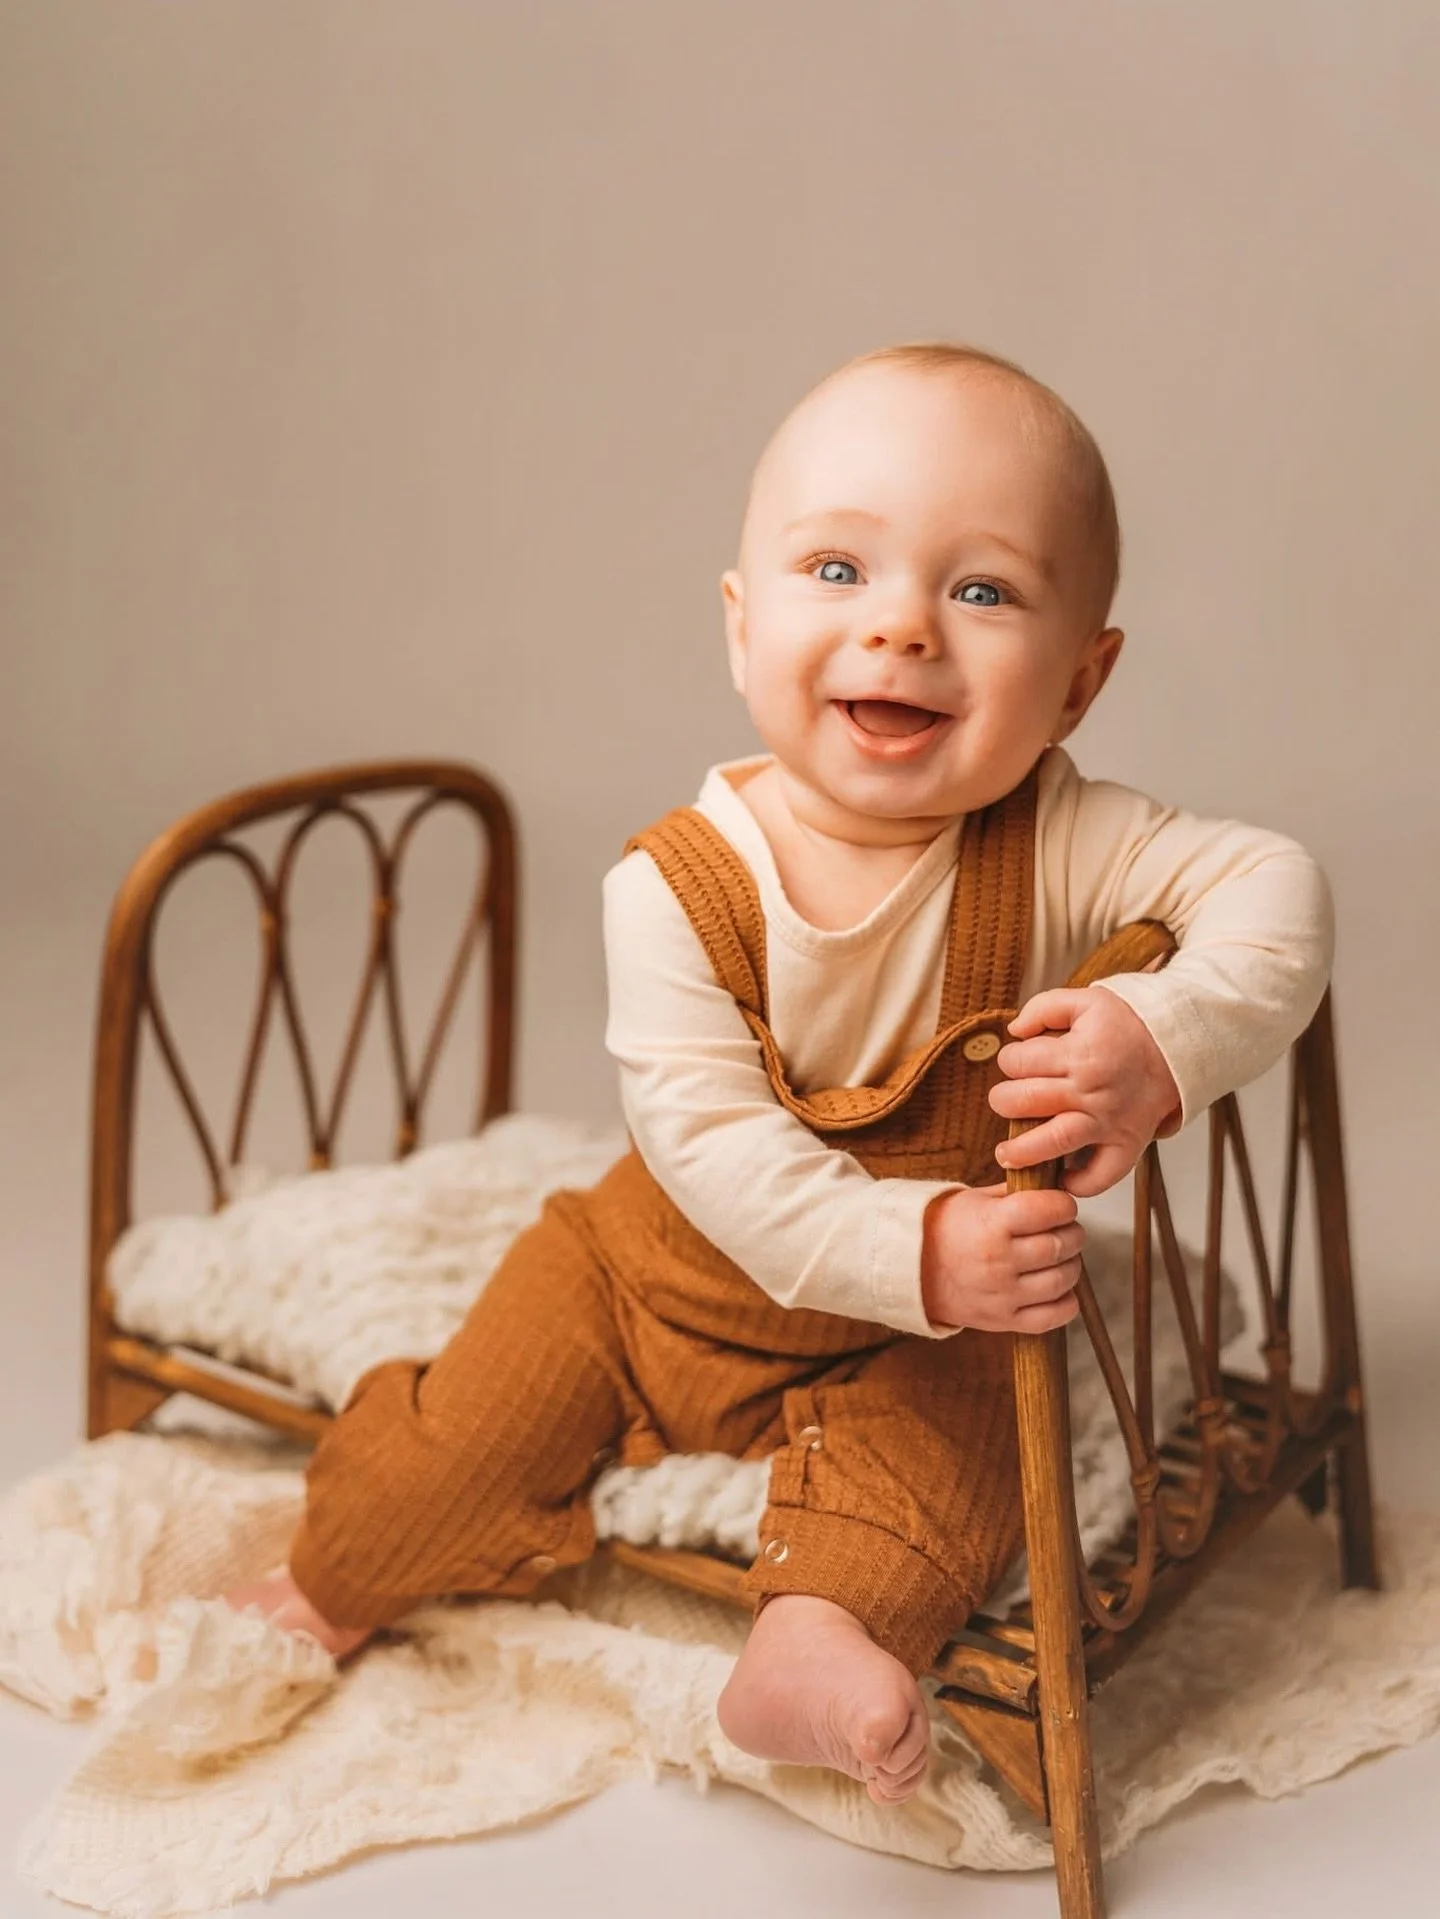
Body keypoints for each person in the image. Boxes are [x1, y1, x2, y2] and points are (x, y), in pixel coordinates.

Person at [226, 341, 1333, 1807]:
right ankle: (330, 1584)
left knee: (965, 1457)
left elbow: (1280, 887)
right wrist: (924, 1241)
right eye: (837, 571)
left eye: (981, 589)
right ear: (741, 629)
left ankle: (813, 1636)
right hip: (650, 1285)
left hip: (907, 1332)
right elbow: (714, 1153)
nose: (903, 631)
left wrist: (1164, 1039)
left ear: (1081, 679)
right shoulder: (678, 889)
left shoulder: (1063, 837)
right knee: (448, 1451)